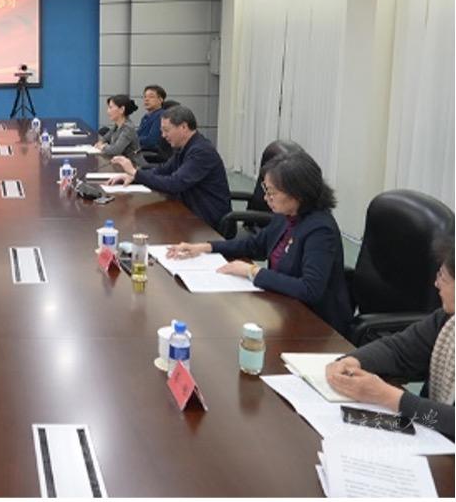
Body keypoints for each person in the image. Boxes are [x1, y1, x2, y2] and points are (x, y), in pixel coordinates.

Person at [168, 151, 353, 336]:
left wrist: (252, 271)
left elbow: (309, 289)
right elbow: (255, 245)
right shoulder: (287, 215)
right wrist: (206, 247)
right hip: (283, 307)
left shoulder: (320, 230)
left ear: (297, 194)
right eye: (266, 190)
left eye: (272, 193)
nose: (266, 198)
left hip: (316, 326)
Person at [325, 230, 454, 440]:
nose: (436, 283)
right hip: (432, 437)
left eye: (443, 278)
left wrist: (389, 397)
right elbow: (399, 349)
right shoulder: (448, 320)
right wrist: (352, 361)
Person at [110, 105, 230, 230]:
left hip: (207, 221)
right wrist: (134, 176)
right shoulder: (185, 147)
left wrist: (136, 173)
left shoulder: (201, 151)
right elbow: (163, 170)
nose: (163, 135)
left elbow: (174, 184)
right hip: (189, 210)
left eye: (166, 130)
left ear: (183, 127)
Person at [95, 94, 144, 168]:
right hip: (121, 163)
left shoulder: (128, 128)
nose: (108, 111)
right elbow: (105, 138)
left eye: (110, 107)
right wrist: (101, 142)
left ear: (121, 109)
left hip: (134, 165)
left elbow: (116, 150)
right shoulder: (117, 125)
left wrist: (103, 147)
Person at [137, 85, 167, 150]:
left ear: (160, 100)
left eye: (151, 97)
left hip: (153, 152)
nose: (146, 99)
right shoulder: (145, 117)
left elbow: (151, 140)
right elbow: (137, 134)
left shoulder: (162, 115)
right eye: (145, 97)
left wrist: (132, 140)